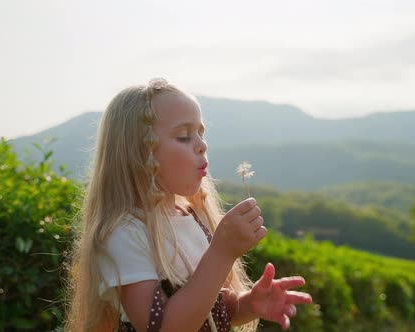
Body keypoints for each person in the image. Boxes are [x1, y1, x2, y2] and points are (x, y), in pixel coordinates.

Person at [65, 78, 312, 332]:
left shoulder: (191, 218)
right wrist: (221, 252)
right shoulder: (126, 232)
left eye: (201, 133)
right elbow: (162, 327)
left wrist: (249, 303)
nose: (202, 145)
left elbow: (207, 309)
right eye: (184, 136)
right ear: (140, 153)